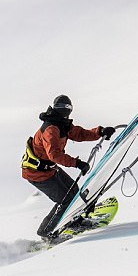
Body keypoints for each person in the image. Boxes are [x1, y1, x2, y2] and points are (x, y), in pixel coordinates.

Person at [22, 95, 115, 237]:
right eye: (66, 109)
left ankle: (74, 222)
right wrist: (77, 163)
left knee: (74, 192)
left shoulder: (61, 124)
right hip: (36, 173)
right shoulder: (51, 129)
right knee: (64, 200)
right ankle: (46, 232)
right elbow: (54, 154)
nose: (68, 112)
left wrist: (100, 132)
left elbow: (79, 134)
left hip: (50, 169)